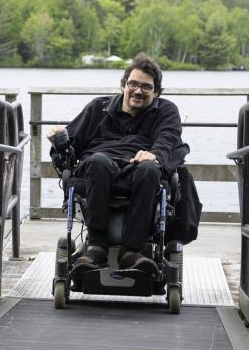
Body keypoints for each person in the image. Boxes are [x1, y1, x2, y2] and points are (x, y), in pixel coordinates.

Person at [48, 53, 187, 277]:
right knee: (97, 162)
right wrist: (58, 138)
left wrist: (154, 154)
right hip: (99, 165)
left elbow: (169, 139)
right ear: (123, 85)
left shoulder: (166, 110)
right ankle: (96, 246)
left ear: (157, 92)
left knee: (150, 169)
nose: (138, 91)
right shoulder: (98, 107)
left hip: (140, 166)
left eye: (146, 87)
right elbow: (71, 143)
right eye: (133, 84)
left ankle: (133, 250)